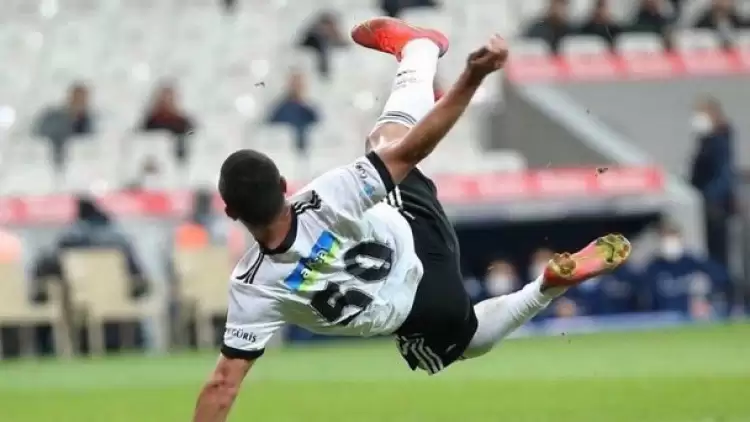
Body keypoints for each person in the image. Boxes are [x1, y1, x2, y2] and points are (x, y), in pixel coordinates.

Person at [192, 18, 631, 421]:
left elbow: (222, 386)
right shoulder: (324, 196)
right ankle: (419, 51)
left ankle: (543, 289)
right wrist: (471, 78)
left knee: (469, 339)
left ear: (230, 212)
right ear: (284, 184)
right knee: (387, 143)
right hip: (414, 223)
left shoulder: (252, 287)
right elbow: (415, 149)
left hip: (419, 305)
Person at [688, 96, 735, 274]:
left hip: (714, 204)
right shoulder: (707, 140)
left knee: (717, 249)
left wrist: (711, 199)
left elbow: (721, 173)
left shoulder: (719, 141)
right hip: (707, 200)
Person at [33, 82, 95, 171]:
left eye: (83, 99)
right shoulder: (54, 117)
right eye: (78, 98)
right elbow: (40, 133)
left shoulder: (89, 121)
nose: (80, 103)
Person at [267, 71, 320, 156]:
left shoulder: (310, 110)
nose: (297, 87)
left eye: (300, 84)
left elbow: (318, 127)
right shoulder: (280, 109)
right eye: (294, 84)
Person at [141, 83, 195, 164]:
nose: (166, 101)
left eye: (170, 98)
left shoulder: (182, 123)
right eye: (163, 98)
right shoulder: (150, 122)